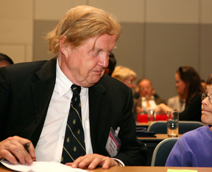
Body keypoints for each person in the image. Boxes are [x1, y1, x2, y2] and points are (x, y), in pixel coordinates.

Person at [0, 5, 147, 170]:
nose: (105, 63)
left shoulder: (118, 93)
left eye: (108, 53)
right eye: (96, 52)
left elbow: (135, 152)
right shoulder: (14, 82)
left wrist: (114, 162)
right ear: (66, 46)